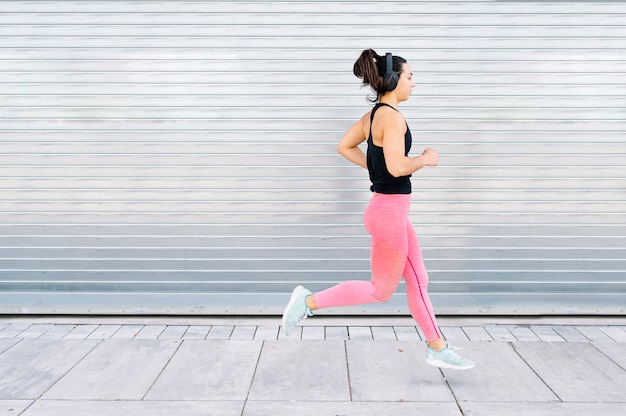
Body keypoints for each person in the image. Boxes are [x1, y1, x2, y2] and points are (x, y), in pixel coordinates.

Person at [282, 49, 475, 371]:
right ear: (393, 79)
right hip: (388, 214)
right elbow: (398, 167)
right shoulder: (394, 118)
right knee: (381, 290)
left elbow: (345, 146)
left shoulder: (373, 117)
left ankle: (437, 347)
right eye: (410, 77)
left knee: (418, 280)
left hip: (390, 211)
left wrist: (376, 170)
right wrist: (424, 160)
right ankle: (307, 301)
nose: (414, 83)